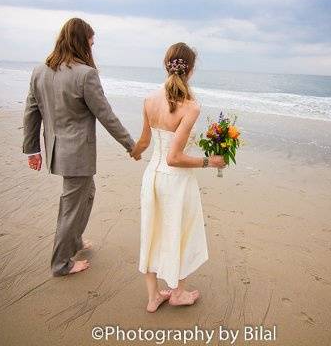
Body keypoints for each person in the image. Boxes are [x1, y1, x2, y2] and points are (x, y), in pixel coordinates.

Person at [22, 17, 139, 277]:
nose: (92, 47)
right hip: (76, 154)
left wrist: (33, 150)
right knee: (71, 208)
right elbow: (105, 115)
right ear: (80, 42)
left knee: (86, 194)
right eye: (91, 42)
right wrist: (131, 145)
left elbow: (31, 113)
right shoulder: (86, 75)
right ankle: (61, 263)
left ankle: (74, 242)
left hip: (56, 150)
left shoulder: (39, 71)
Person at [130, 42, 226, 312]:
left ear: (166, 64)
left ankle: (153, 298)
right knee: (179, 232)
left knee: (151, 230)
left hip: (152, 178)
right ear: (191, 70)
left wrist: (134, 151)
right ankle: (178, 293)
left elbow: (144, 141)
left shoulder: (149, 100)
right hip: (176, 182)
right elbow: (175, 157)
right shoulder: (190, 107)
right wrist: (210, 161)